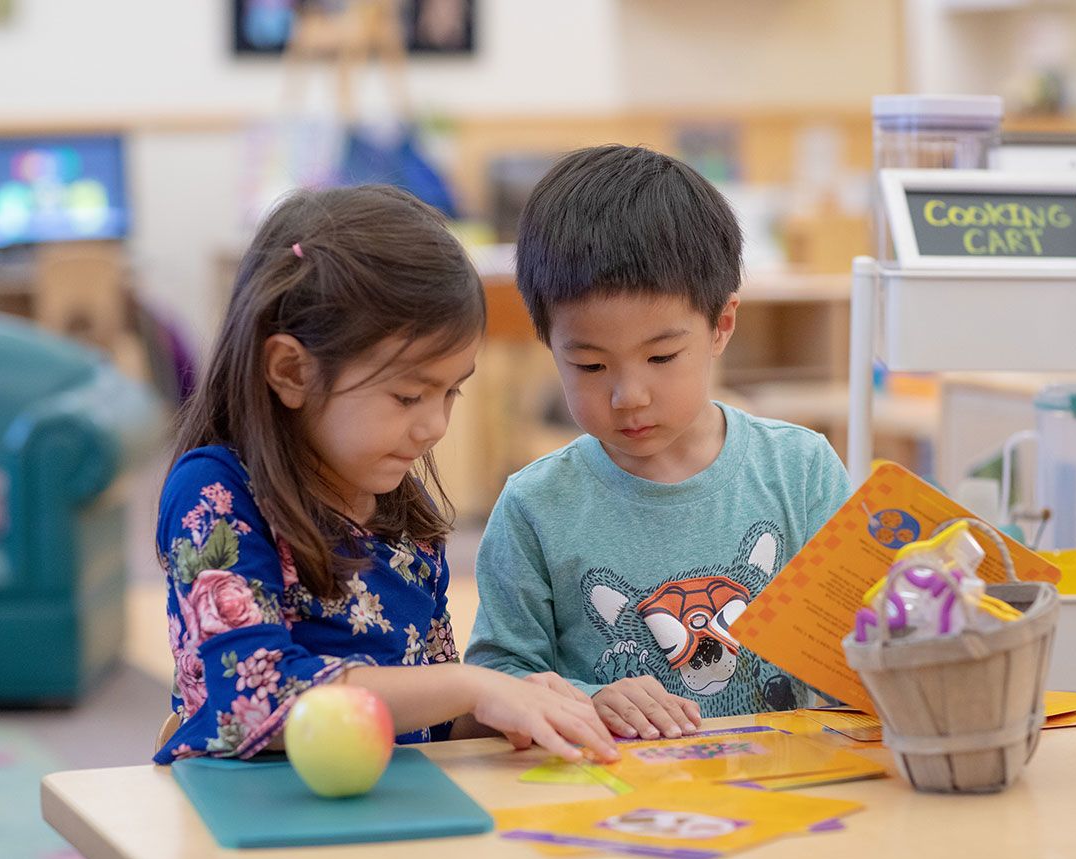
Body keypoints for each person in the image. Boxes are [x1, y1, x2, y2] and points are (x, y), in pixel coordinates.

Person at [153, 185, 617, 765]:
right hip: (246, 815)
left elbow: (433, 717)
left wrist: (517, 703)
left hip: (395, 806)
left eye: (450, 391)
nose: (435, 426)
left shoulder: (402, 508)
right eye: (408, 395)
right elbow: (254, 699)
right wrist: (472, 686)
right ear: (291, 371)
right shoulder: (217, 494)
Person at [465, 146, 852, 740]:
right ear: (551, 345)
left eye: (662, 357)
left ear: (721, 325)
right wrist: (592, 699)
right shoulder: (535, 507)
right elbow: (495, 681)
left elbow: (852, 648)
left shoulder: (800, 472)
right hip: (614, 804)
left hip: (789, 789)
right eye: (590, 366)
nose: (629, 396)